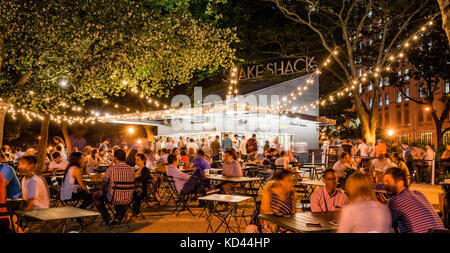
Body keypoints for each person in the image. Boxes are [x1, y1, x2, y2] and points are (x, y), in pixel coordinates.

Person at [383, 167, 444, 233]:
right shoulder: (419, 194)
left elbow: (383, 223)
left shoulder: (396, 201)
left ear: (400, 182)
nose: (385, 185)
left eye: (387, 181)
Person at [93, 149, 135, 225]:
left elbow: (103, 185)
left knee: (96, 195)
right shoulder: (131, 169)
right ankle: (118, 217)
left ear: (115, 158)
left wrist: (103, 190)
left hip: (114, 199)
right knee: (118, 193)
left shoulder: (111, 169)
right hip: (128, 199)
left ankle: (107, 219)